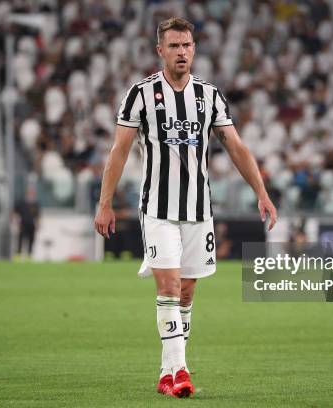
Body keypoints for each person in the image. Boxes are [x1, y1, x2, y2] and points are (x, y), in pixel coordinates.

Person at [94, 17, 277, 398]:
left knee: (188, 293)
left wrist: (261, 191)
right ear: (160, 50)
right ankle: (181, 371)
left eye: (187, 45)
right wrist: (105, 203)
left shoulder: (209, 96)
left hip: (198, 210)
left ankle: (166, 372)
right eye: (174, 46)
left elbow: (236, 147)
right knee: (170, 286)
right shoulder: (140, 94)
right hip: (158, 209)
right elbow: (120, 151)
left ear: (194, 49)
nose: (182, 52)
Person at [14, 186, 40, 260]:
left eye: (33, 192)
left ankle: (29, 256)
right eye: (30, 192)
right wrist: (16, 223)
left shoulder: (35, 204)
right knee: (20, 240)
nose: (31, 194)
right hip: (22, 224)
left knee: (31, 240)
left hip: (31, 224)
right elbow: (15, 213)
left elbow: (37, 215)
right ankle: (18, 256)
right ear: (27, 193)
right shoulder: (21, 202)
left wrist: (38, 224)